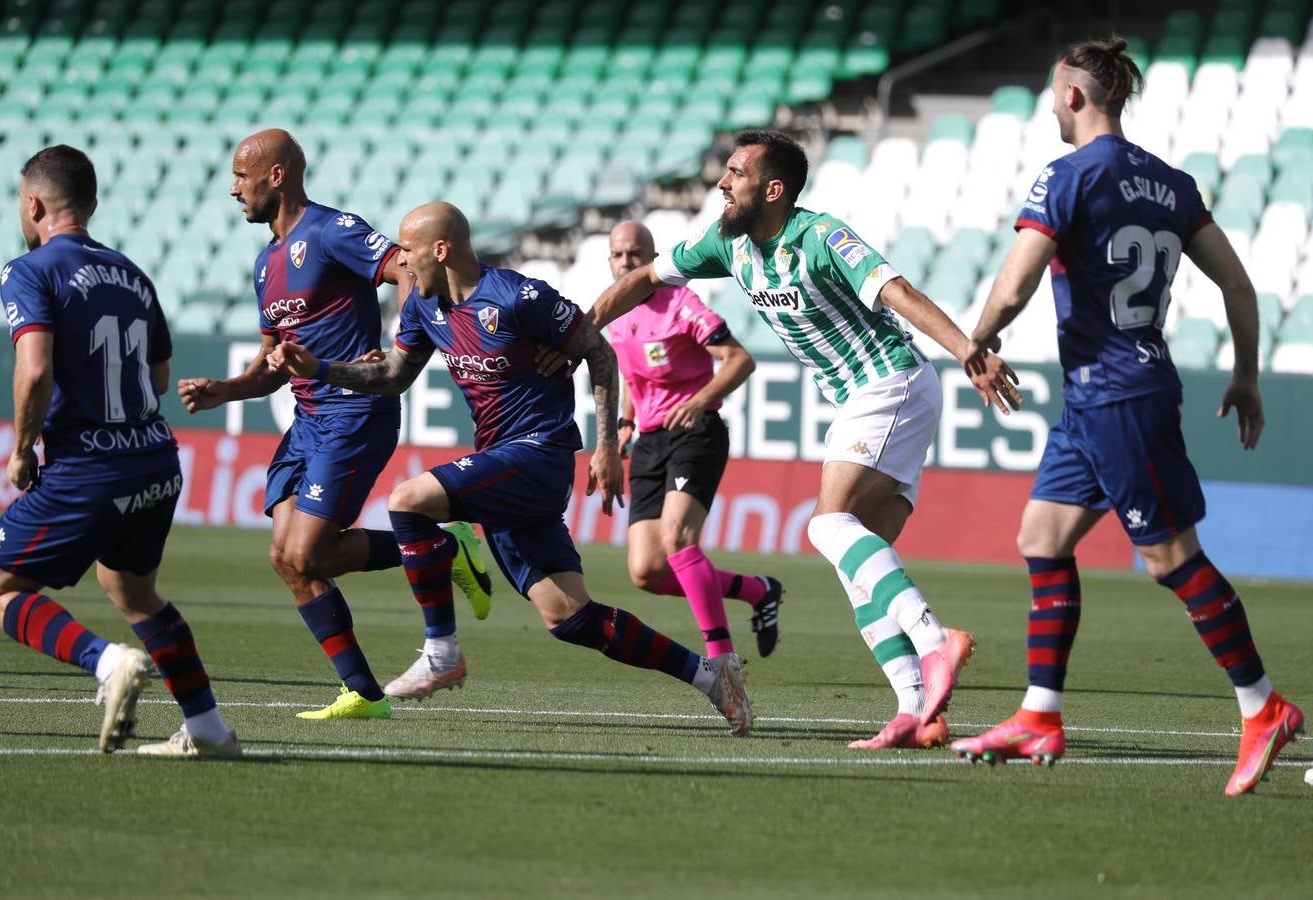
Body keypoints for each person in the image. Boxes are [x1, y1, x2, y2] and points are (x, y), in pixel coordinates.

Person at [583, 130, 1024, 749]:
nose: (721, 183)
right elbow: (647, 279)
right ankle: (916, 711)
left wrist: (966, 350)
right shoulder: (725, 244)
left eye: (735, 174)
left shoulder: (820, 237)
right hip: (863, 399)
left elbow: (897, 292)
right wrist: (583, 324)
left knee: (824, 525)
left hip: (890, 383)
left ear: (773, 189)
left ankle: (933, 639)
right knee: (858, 565)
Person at [953, 38, 1303, 795]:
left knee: (1170, 559)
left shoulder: (1068, 175)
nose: (1051, 103)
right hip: (1095, 396)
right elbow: (1239, 287)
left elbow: (1013, 288)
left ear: (1075, 96)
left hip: (1120, 395)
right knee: (1041, 537)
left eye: (1054, 93)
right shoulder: (1171, 182)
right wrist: (1245, 373)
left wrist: (973, 344)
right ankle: (1039, 714)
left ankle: (1262, 705)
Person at [267, 201, 754, 736]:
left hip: (539, 453)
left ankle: (441, 650)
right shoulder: (423, 309)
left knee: (407, 501)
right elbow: (391, 375)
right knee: (570, 617)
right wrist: (321, 369)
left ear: (441, 250)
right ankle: (711, 677)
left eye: (408, 249)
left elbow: (599, 353)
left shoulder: (519, 297)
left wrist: (606, 447)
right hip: (502, 464)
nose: (401, 261)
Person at [176, 129, 490, 720]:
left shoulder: (331, 230)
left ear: (276, 176)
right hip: (306, 420)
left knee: (309, 551)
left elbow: (407, 270)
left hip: (354, 411)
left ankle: (441, 547)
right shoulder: (265, 263)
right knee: (287, 558)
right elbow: (271, 363)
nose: (232, 189)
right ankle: (364, 690)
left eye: (242, 177)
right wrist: (229, 390)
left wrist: (399, 343)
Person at [0, 145, 239, 758]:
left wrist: (19, 449)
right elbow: (162, 375)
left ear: (33, 204)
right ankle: (208, 730)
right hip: (155, 462)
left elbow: (34, 371)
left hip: (90, 467)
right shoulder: (132, 272)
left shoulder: (29, 270)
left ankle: (107, 661)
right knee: (133, 590)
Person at [604, 221, 784, 658]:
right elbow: (633, 377)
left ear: (652, 258)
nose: (627, 261)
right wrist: (626, 424)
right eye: (619, 255)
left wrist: (699, 401)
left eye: (636, 253)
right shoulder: (614, 315)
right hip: (648, 442)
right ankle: (759, 590)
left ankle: (721, 659)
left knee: (679, 540)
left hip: (695, 432)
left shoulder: (680, 303)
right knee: (647, 570)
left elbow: (739, 360)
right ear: (609, 261)